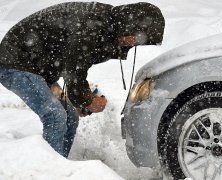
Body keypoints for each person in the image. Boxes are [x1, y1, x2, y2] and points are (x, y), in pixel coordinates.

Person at [0, 2, 165, 157]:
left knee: (70, 117)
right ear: (130, 25)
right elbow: (73, 70)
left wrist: (80, 100)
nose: (133, 43)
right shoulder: (91, 26)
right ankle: (49, 170)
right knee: (55, 115)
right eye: (137, 37)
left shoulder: (106, 27)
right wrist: (86, 100)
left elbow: (74, 65)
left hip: (38, 68)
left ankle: (61, 162)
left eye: (139, 41)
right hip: (15, 62)